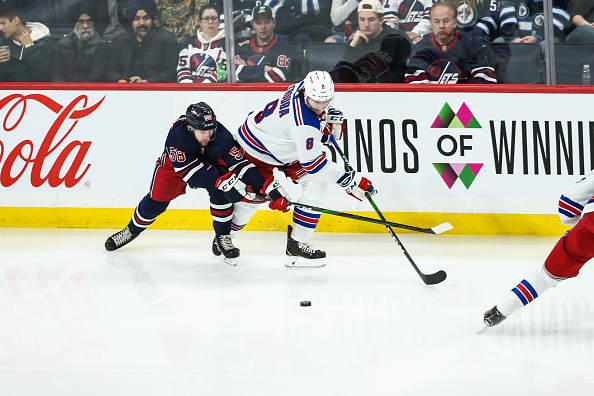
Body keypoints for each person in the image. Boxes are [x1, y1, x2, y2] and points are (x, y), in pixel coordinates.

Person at [104, 102, 289, 266]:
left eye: (211, 129)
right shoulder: (177, 139)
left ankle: (223, 237)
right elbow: (193, 175)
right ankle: (131, 230)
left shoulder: (222, 137)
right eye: (202, 131)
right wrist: (221, 181)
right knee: (156, 202)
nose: (208, 135)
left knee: (221, 193)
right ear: (190, 128)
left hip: (210, 165)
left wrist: (270, 190)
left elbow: (243, 167)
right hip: (175, 167)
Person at [229, 70, 376, 268]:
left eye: (326, 101)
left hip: (283, 146)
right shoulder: (303, 123)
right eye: (317, 102)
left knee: (317, 186)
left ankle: (297, 244)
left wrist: (325, 120)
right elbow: (314, 165)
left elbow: (314, 134)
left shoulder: (306, 87)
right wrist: (349, 181)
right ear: (307, 93)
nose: (321, 106)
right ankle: (225, 236)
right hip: (255, 151)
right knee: (253, 200)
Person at [484, 170, 594, 327]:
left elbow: (567, 207)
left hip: (587, 235)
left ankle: (500, 311)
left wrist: (582, 226)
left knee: (543, 278)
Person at [405, 2, 497, 84]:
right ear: (431, 24)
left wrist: (461, 93)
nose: (441, 26)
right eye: (436, 21)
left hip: (464, 101)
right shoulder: (420, 46)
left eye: (446, 21)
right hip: (431, 101)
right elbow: (413, 80)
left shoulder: (470, 43)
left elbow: (485, 75)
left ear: (455, 22)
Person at [333, 0, 411, 83]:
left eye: (371, 19)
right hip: (361, 92)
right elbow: (344, 77)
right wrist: (353, 46)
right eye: (362, 19)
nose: (366, 24)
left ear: (381, 20)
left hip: (391, 91)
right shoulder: (355, 40)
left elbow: (397, 75)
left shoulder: (397, 38)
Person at [106, 0, 179, 83]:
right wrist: (119, 80)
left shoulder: (166, 39)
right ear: (131, 20)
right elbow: (110, 70)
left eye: (146, 18)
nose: (142, 23)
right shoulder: (120, 40)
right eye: (136, 19)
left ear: (152, 18)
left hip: (156, 91)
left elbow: (172, 71)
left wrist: (148, 82)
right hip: (125, 90)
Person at [52, 1, 110, 82]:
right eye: (81, 22)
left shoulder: (101, 46)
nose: (85, 26)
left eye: (89, 22)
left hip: (90, 91)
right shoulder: (61, 45)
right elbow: (57, 74)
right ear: (74, 24)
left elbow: (97, 75)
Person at [235, 5, 295, 83]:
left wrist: (246, 69)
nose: (263, 27)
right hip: (244, 93)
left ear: (274, 23)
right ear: (253, 24)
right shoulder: (244, 46)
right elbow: (233, 73)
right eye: (258, 23)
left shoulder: (284, 47)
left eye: (267, 22)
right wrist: (265, 68)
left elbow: (279, 76)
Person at [0, 5, 53, 82]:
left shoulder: (44, 42)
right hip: (9, 92)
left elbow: (44, 77)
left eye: (3, 23)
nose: (0, 28)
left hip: (37, 92)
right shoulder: (2, 43)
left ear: (16, 20)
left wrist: (30, 48)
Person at [177, 4, 227, 83]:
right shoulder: (189, 42)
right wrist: (189, 89)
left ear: (219, 22)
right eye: (206, 19)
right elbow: (183, 69)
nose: (210, 22)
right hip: (189, 91)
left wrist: (203, 89)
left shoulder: (227, 44)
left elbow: (222, 72)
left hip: (214, 91)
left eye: (214, 18)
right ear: (200, 22)